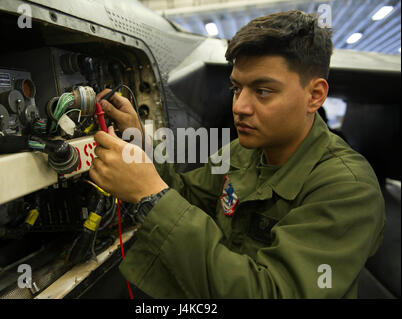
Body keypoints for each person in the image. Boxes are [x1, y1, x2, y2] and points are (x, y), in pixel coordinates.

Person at [89, 10, 385, 298]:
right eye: (236, 88)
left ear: (315, 95)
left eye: (263, 91)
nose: (239, 107)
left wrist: (152, 198)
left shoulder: (348, 190)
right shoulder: (243, 152)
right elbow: (187, 197)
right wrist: (138, 145)